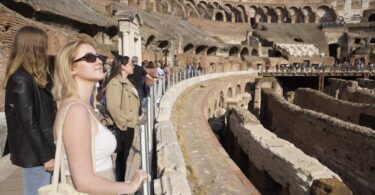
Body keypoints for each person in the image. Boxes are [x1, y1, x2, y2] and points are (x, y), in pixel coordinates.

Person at [52, 40, 148, 194]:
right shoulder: (76, 111)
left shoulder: (84, 107)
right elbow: (84, 182)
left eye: (99, 57)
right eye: (89, 58)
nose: (98, 61)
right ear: (71, 68)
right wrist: (129, 186)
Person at [4, 26, 56, 195]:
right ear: (35, 48)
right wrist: (46, 156)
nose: (46, 49)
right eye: (43, 45)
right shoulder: (21, 79)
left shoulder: (31, 77)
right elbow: (29, 123)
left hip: (41, 151)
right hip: (37, 156)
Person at [105, 55, 141, 182]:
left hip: (128, 126)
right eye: (131, 64)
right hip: (122, 128)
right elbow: (113, 108)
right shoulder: (115, 83)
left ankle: (120, 184)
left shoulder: (127, 81)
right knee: (119, 160)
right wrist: (124, 125)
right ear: (123, 66)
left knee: (122, 160)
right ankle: (118, 185)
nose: (133, 66)